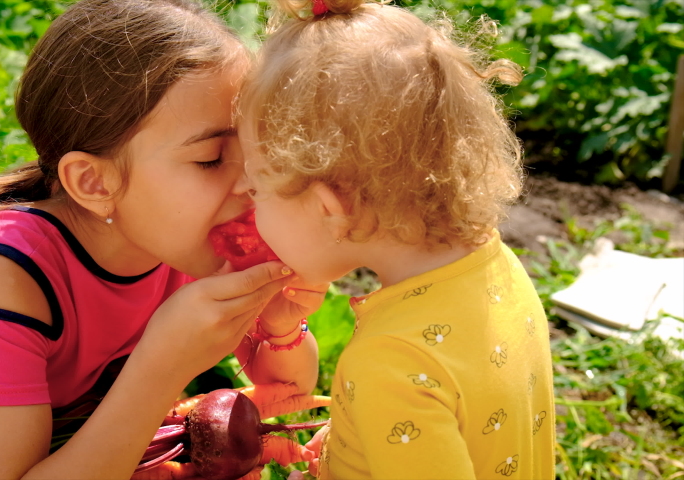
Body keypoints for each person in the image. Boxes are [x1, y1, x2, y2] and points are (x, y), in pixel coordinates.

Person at [0, 0, 324, 477]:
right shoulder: (6, 278)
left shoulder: (177, 233)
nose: (249, 181)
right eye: (212, 158)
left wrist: (280, 325)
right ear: (94, 183)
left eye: (252, 148)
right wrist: (162, 367)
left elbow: (290, 393)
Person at [235, 0, 556, 478]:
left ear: (330, 210)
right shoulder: (497, 264)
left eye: (256, 185)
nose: (242, 195)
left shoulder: (389, 365)